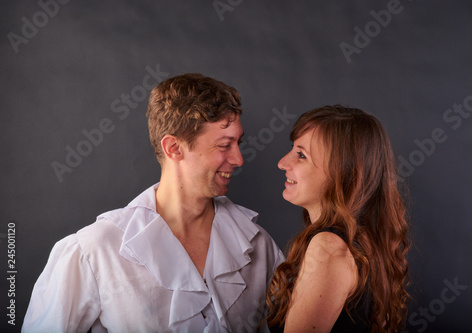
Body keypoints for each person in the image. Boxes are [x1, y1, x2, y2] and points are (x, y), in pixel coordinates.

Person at [23, 73, 284, 332]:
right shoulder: (96, 251)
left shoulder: (257, 244)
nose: (239, 159)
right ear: (173, 148)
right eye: (225, 145)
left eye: (239, 143)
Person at [266, 105, 410, 332]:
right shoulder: (359, 241)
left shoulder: (329, 248)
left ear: (341, 173)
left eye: (301, 155)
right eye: (292, 149)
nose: (283, 162)